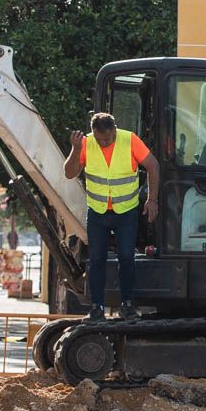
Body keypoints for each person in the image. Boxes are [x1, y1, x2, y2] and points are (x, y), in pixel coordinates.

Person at [63, 112, 158, 321]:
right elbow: (69, 173)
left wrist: (152, 200)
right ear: (93, 132)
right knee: (96, 259)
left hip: (126, 211)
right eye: (99, 138)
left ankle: (127, 304)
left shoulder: (129, 139)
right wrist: (76, 149)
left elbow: (153, 166)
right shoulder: (86, 144)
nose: (103, 142)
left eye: (107, 138)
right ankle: (97, 307)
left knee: (126, 257)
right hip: (97, 212)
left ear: (114, 129)